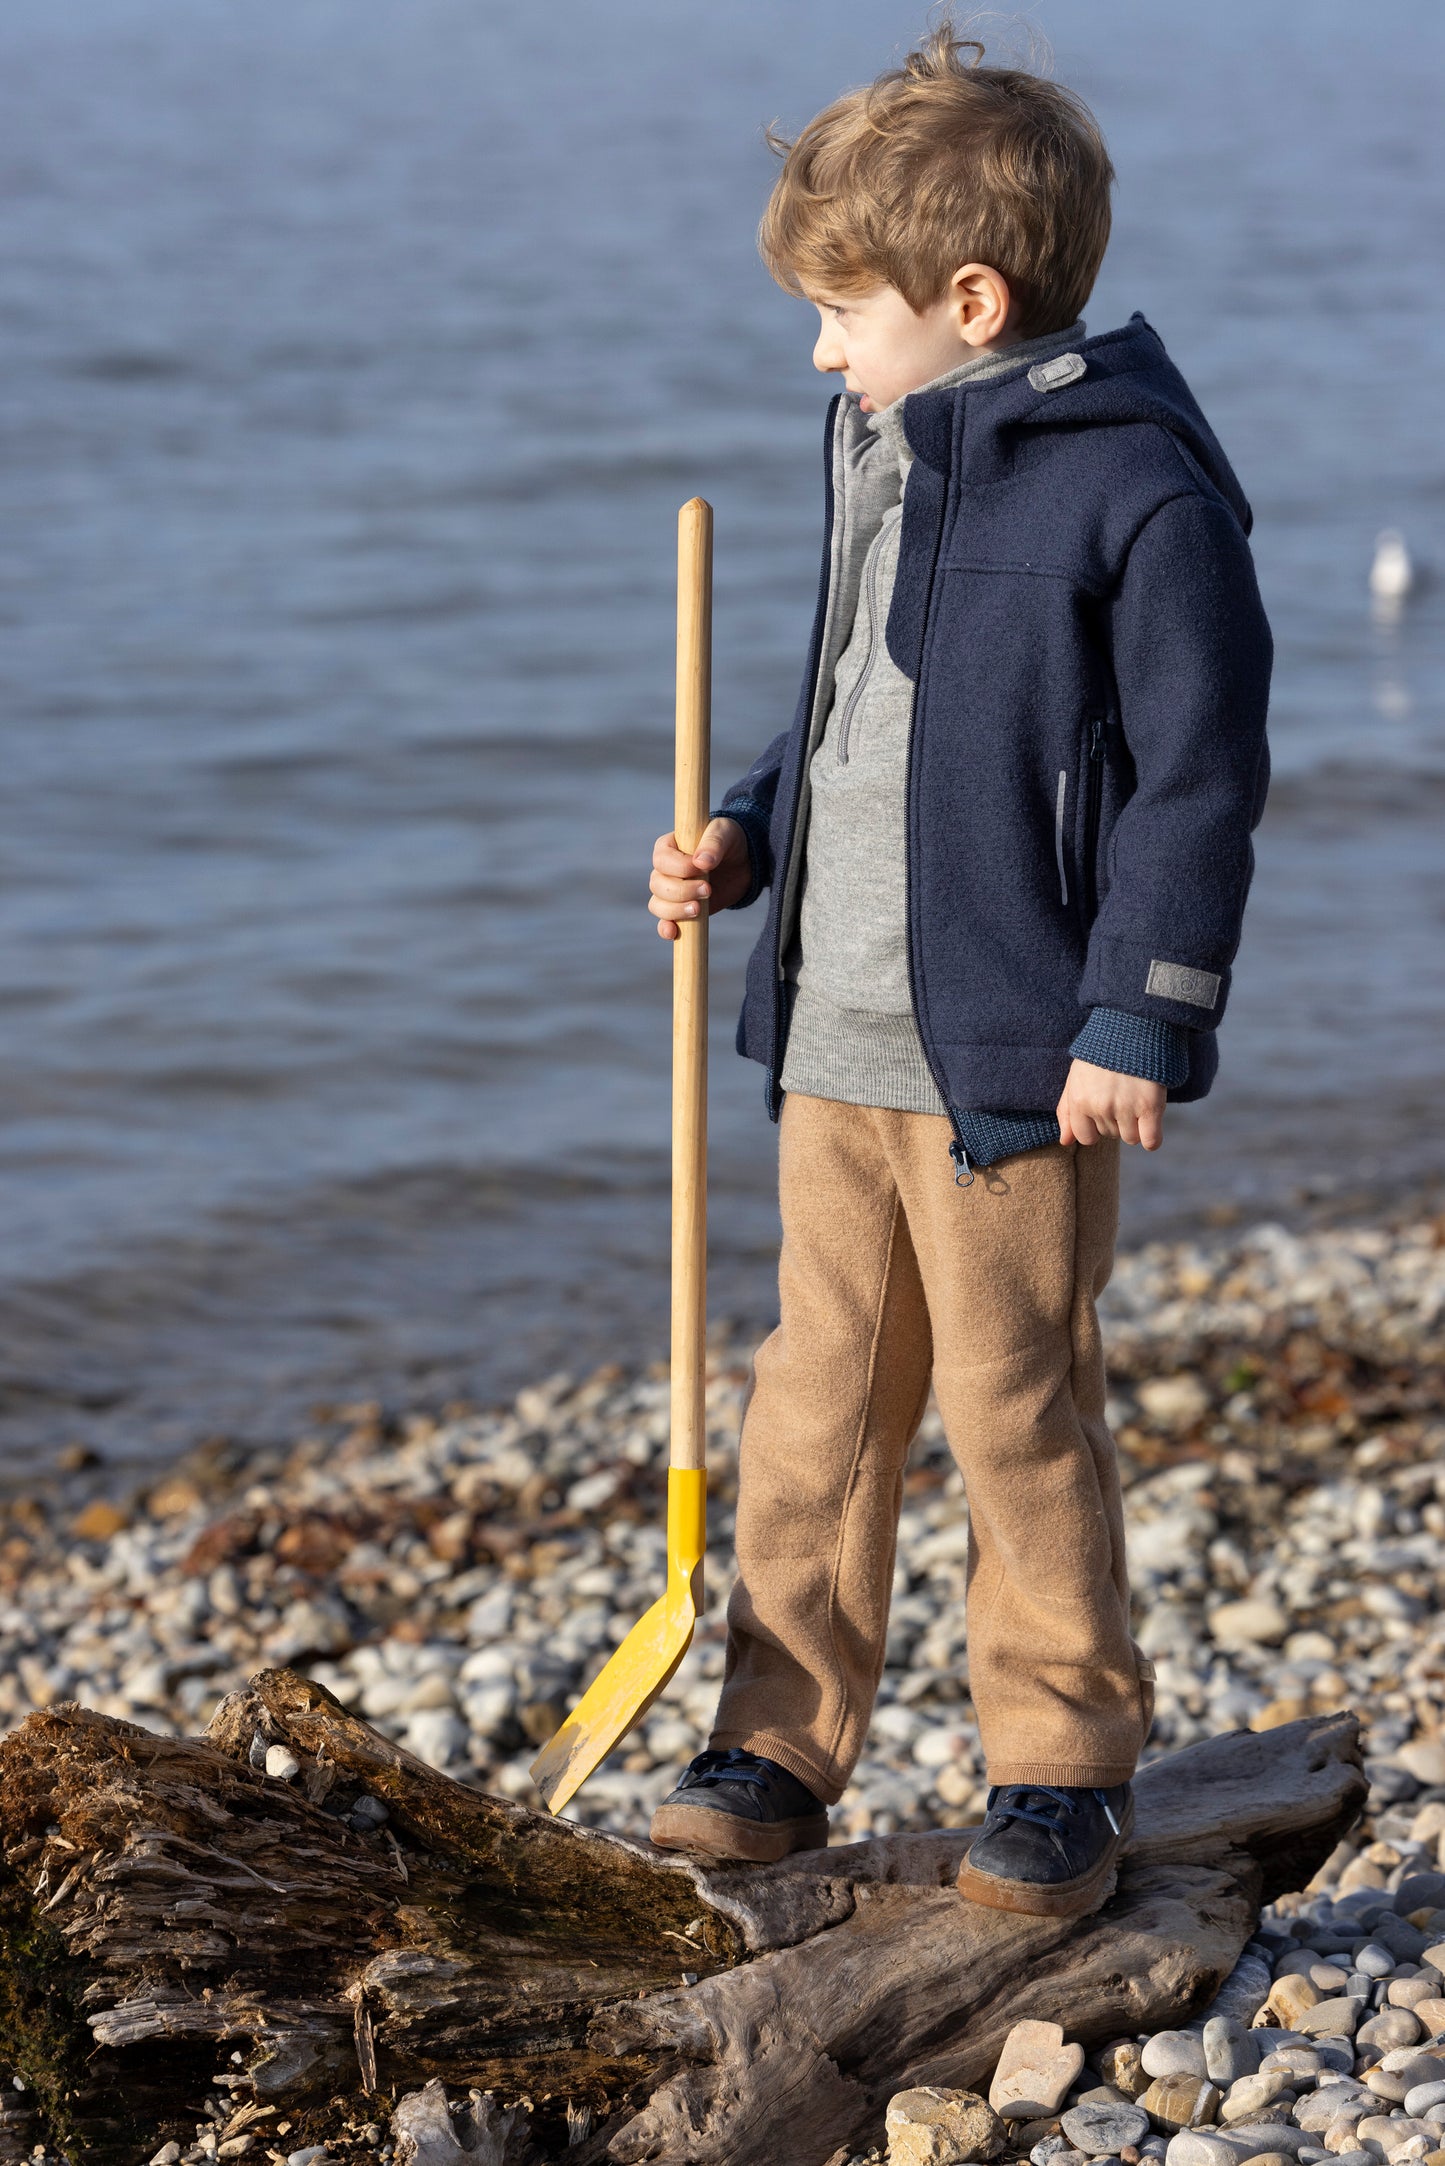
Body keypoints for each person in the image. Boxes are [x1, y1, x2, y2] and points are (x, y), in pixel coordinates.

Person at [643, 25, 1272, 1915]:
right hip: (829, 1036)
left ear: (969, 299)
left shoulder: (1141, 495)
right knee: (816, 1391)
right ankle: (776, 1732)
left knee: (1016, 1396)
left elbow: (1194, 774)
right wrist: (746, 832)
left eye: (841, 310)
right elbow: (847, 711)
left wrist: (1140, 1008)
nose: (817, 348)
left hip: (1012, 1051)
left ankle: (1062, 1758)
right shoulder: (871, 444)